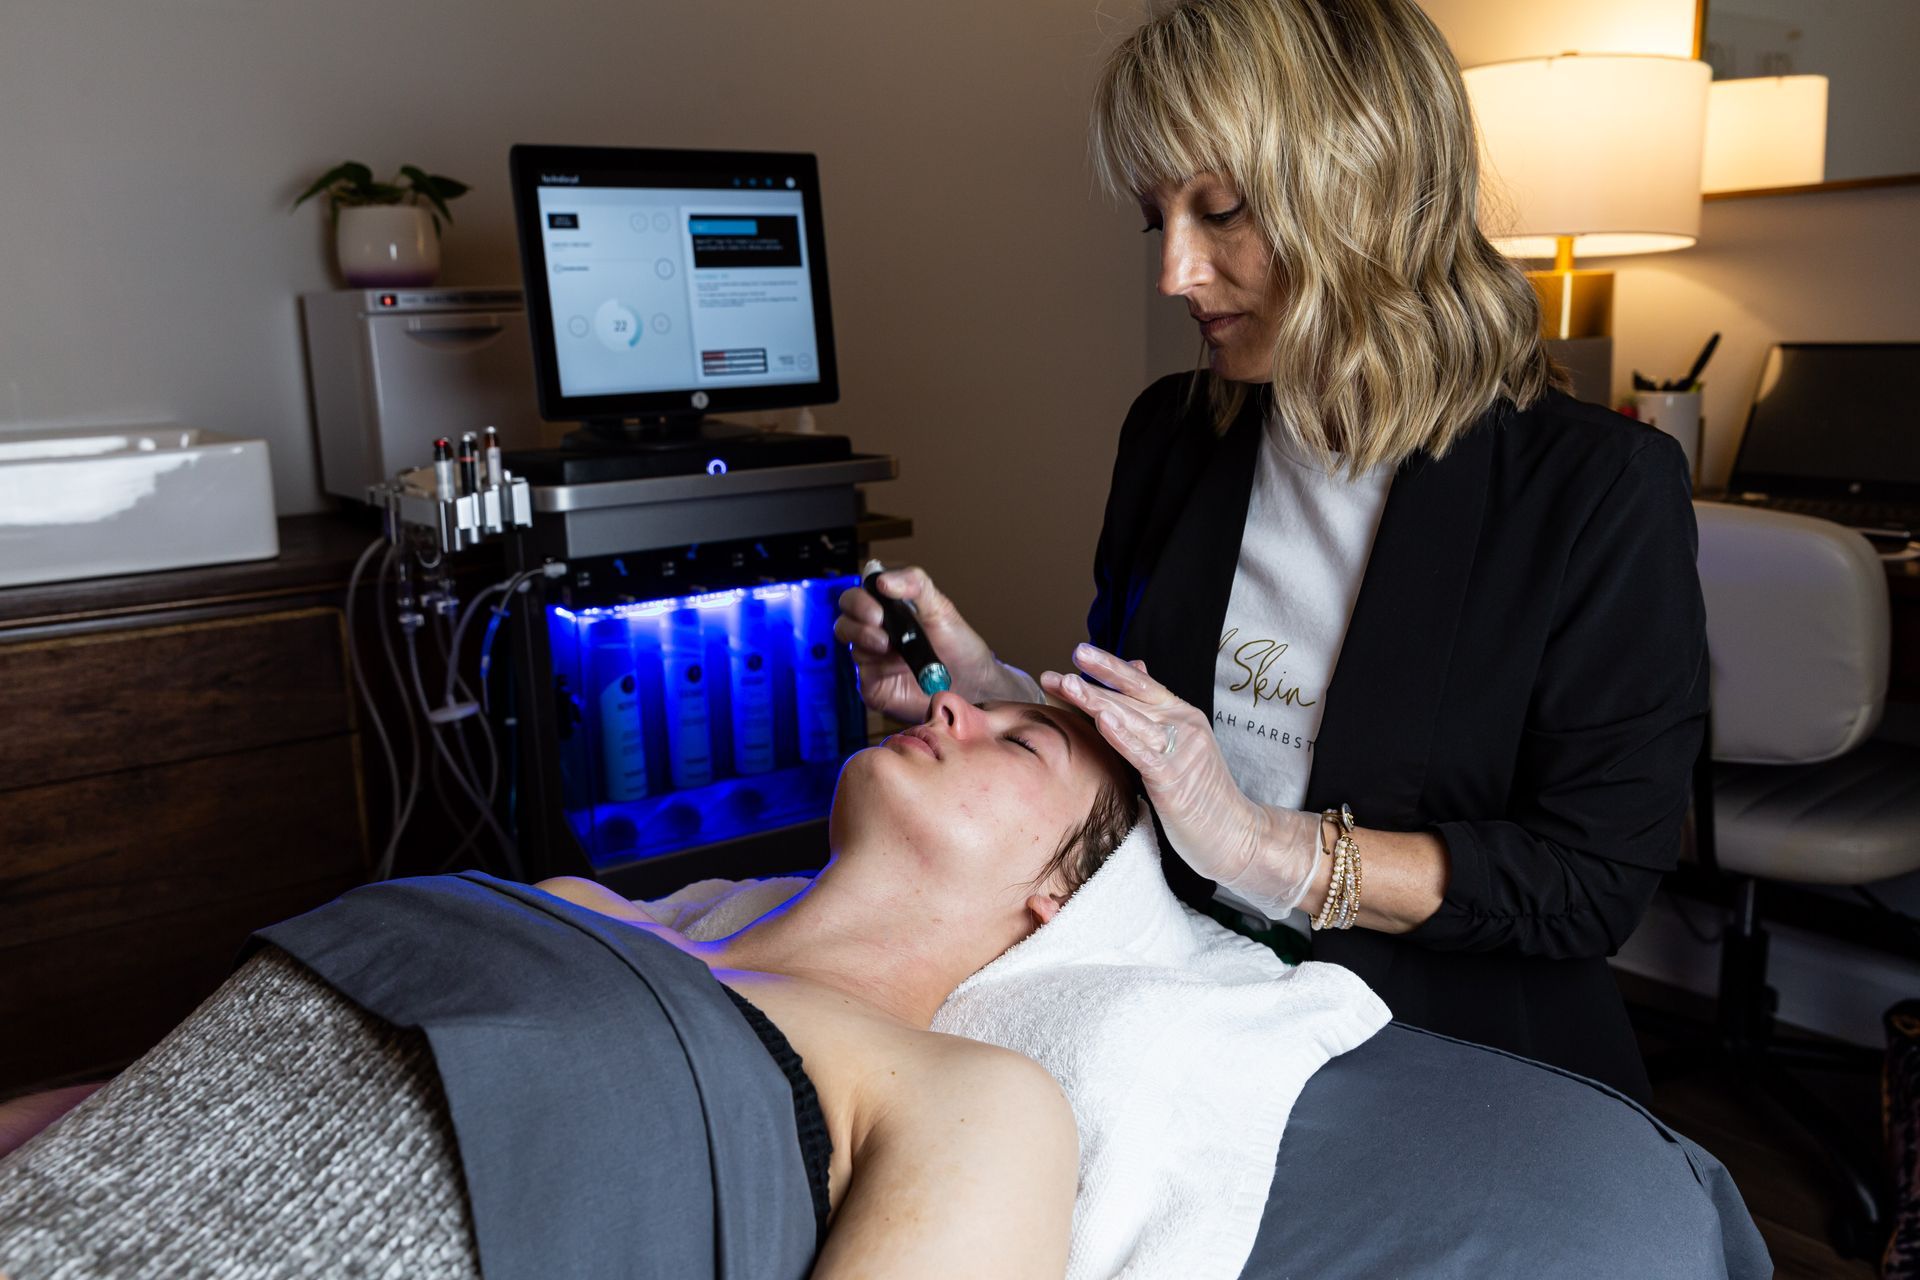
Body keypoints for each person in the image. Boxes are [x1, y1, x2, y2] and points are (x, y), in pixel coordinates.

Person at [836, 0, 1705, 1102]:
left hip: (1445, 1045)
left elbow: (1586, 883)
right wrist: (988, 687)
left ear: (1371, 184)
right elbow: (1158, 769)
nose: (1175, 273)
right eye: (1157, 220)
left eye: (1222, 212)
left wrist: (1263, 848)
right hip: (1187, 996)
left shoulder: (1594, 492)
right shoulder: (1174, 435)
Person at [0, 695, 1140, 1280]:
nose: (951, 709)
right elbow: (182, 1094)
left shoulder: (972, 1095)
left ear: (1063, 890)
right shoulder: (578, 903)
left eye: (1021, 743)